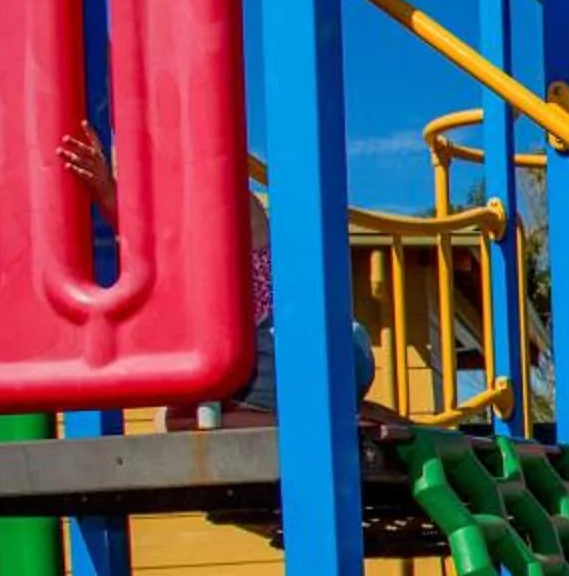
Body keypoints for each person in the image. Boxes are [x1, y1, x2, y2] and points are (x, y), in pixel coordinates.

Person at [57, 121, 379, 422]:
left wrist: (113, 192)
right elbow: (146, 237)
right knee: (174, 417)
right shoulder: (170, 233)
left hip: (298, 348)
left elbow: (159, 235)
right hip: (258, 361)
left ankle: (312, 416)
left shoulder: (229, 204)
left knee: (185, 417)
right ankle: (316, 412)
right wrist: (108, 191)